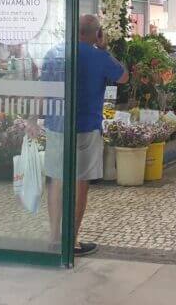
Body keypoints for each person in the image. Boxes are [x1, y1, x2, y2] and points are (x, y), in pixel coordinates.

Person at [40, 14, 128, 255]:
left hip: (56, 125)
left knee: (56, 181)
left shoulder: (53, 54)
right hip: (86, 127)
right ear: (96, 34)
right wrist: (106, 48)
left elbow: (42, 92)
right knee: (80, 183)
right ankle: (72, 240)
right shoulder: (99, 57)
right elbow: (123, 75)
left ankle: (54, 236)